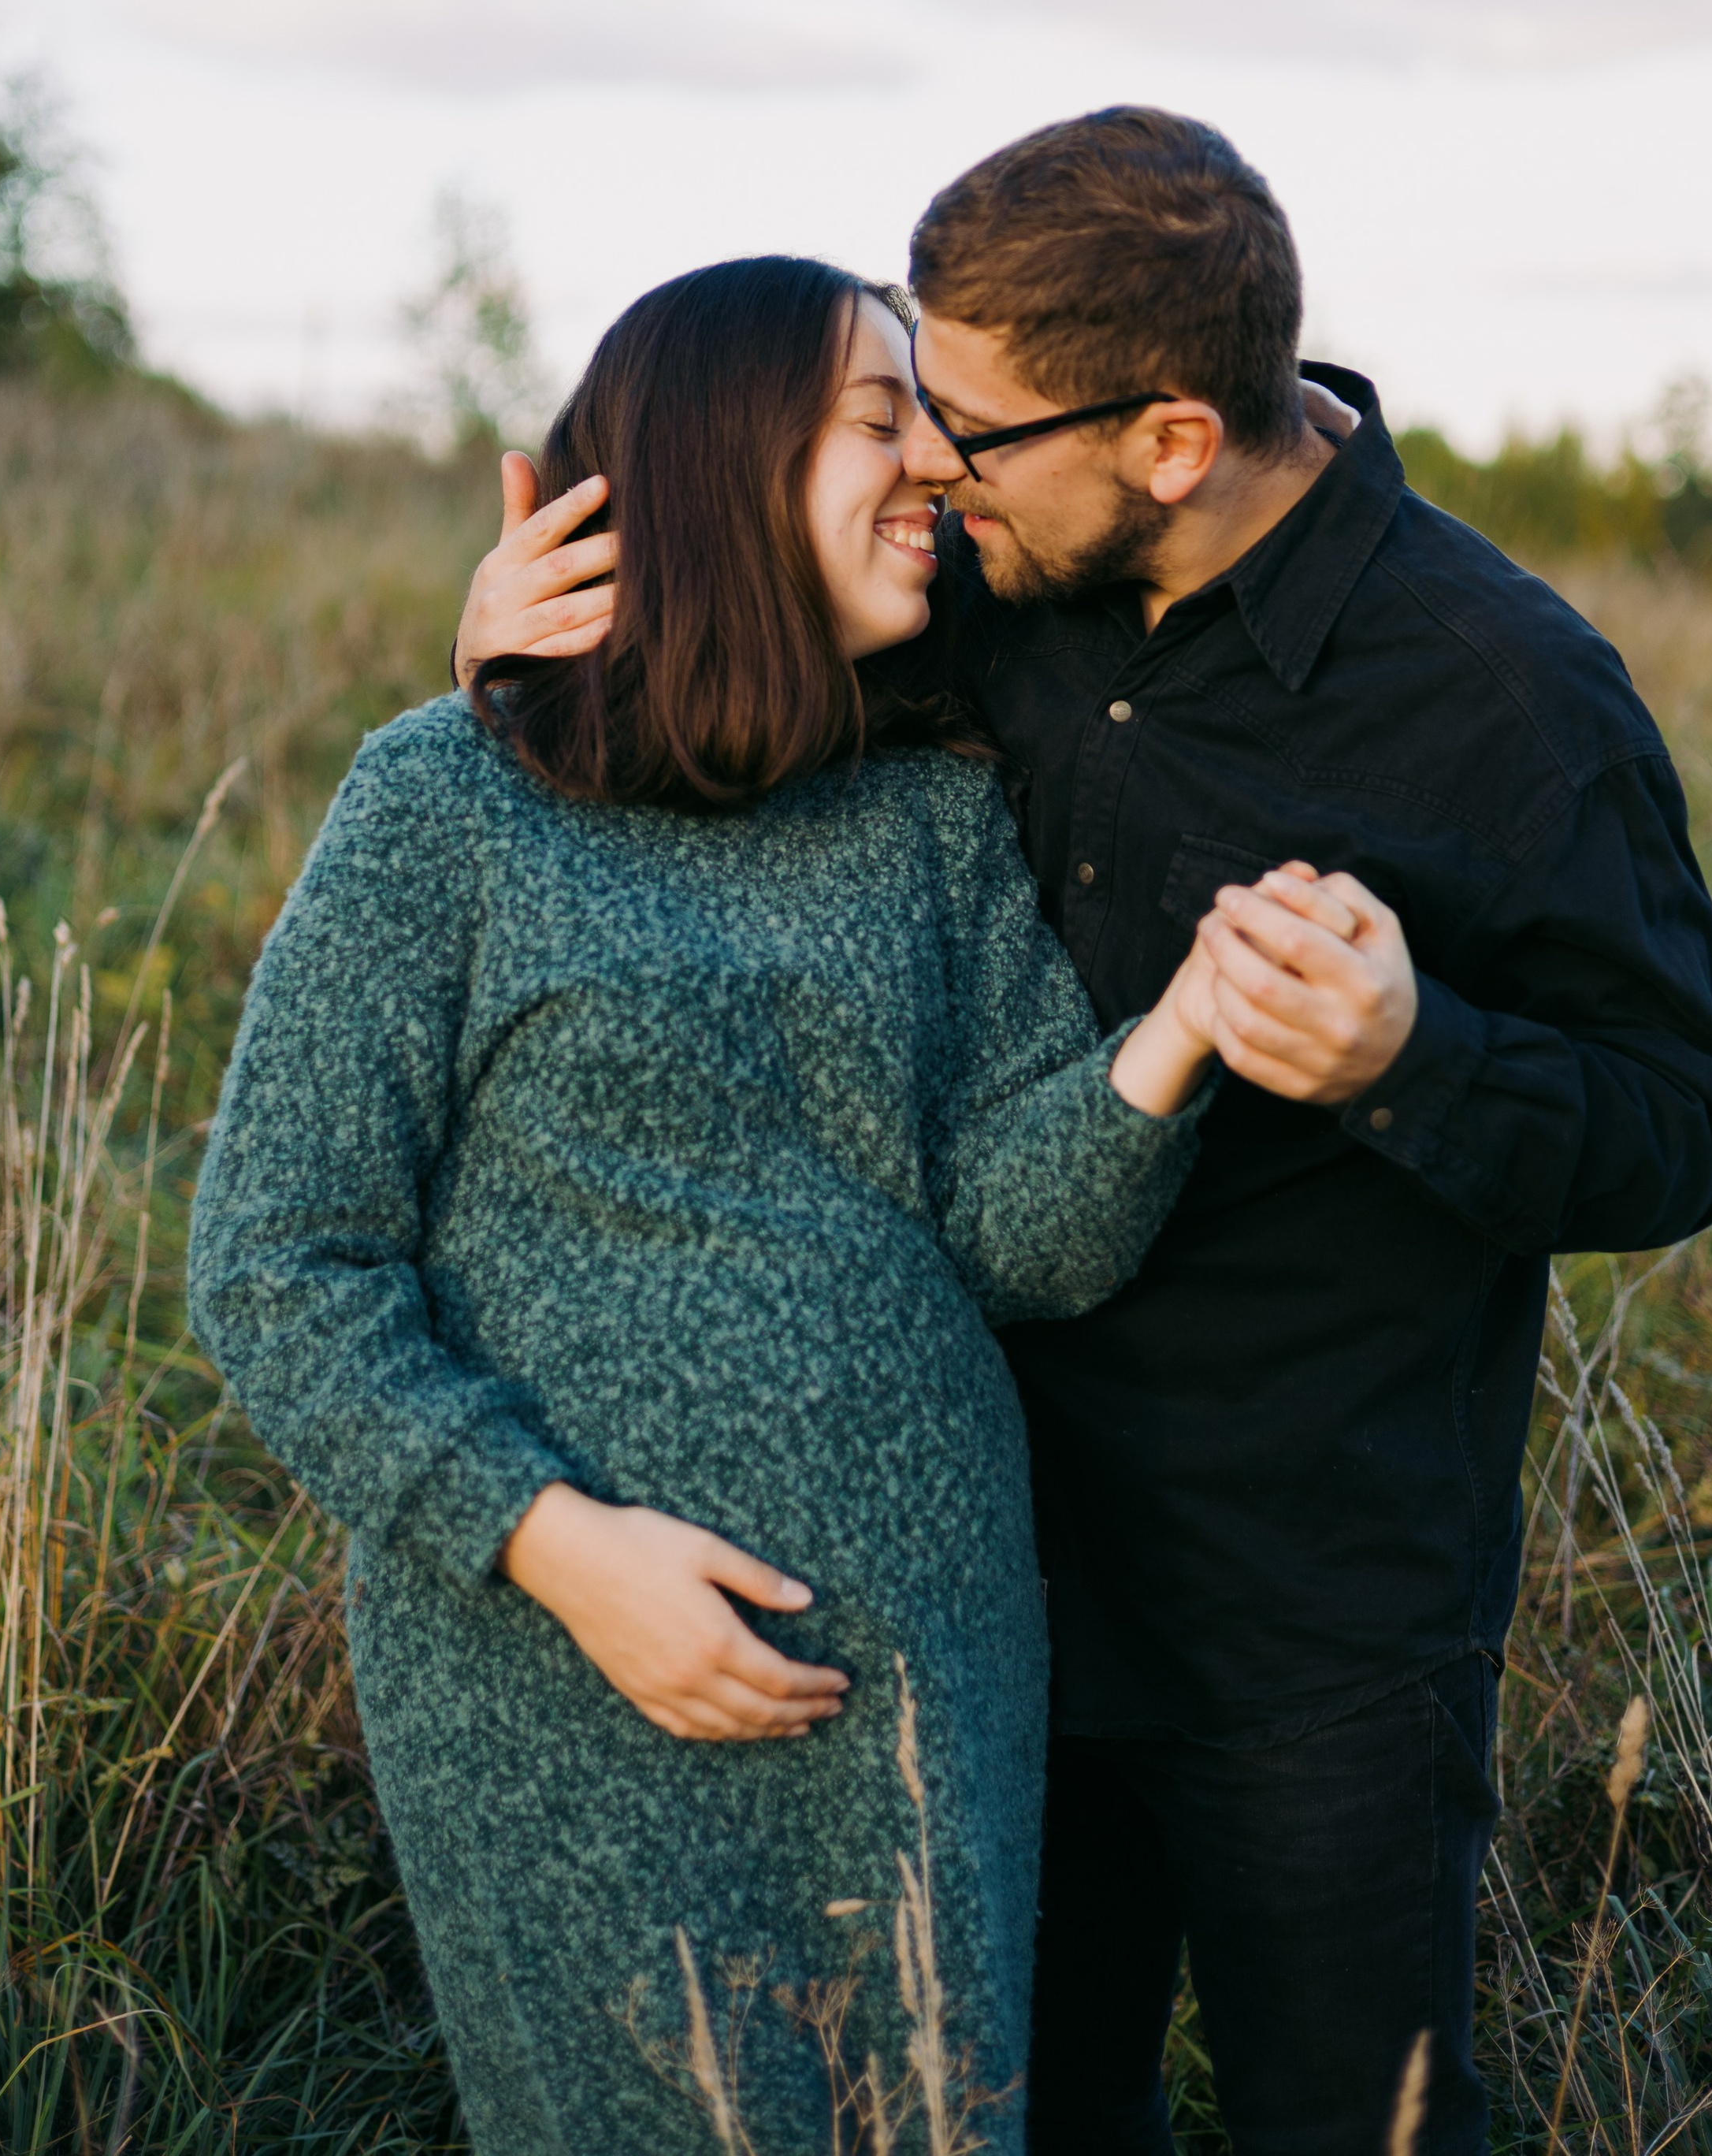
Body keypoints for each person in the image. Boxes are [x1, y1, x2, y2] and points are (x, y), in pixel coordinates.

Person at [454, 107, 1712, 2156]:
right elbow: (719, 739)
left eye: (969, 429)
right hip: (953, 1576)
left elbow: (1674, 1133)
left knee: (1359, 2124)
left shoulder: (1513, 709)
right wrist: (525, 672)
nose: (928, 469)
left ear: (1166, 440)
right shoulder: (986, 584)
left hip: (1303, 1624)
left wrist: (1412, 1055)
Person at [188, 254, 1250, 2156]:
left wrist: (1170, 1040)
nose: (932, 457)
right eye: (875, 416)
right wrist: (555, 1546)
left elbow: (1021, 1242)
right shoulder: (447, 799)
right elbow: (280, 1266)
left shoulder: (925, 811)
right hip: (562, 1666)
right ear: (718, 463)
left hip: (928, 1655)